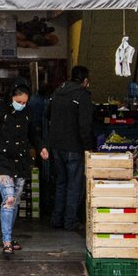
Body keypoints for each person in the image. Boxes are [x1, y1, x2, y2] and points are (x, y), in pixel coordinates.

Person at [0, 79, 48, 256]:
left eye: (25, 102)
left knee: (14, 201)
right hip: (2, 162)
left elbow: (33, 133)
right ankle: (6, 240)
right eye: (19, 102)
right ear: (12, 97)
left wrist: (41, 148)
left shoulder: (28, 112)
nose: (22, 105)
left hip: (22, 162)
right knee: (8, 199)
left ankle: (10, 236)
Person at [47, 65, 94, 232]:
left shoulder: (56, 92)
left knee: (61, 182)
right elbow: (85, 125)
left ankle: (56, 219)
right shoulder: (82, 95)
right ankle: (70, 221)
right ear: (85, 80)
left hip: (56, 146)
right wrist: (88, 147)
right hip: (73, 147)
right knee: (74, 185)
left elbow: (47, 115)